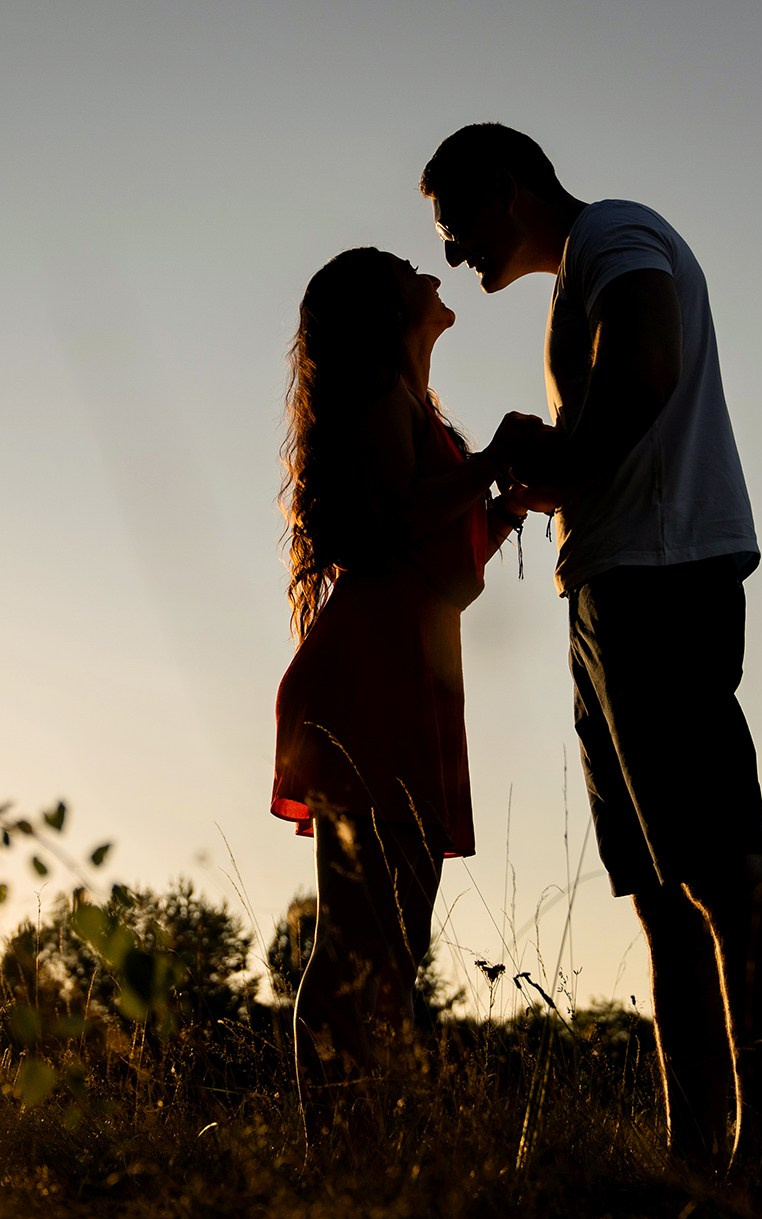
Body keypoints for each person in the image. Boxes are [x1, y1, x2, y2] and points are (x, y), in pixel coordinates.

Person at [420, 123, 762, 1170]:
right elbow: (614, 420)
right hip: (607, 587)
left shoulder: (615, 235)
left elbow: (645, 363)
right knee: (656, 893)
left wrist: (572, 455)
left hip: (659, 578)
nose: (454, 254)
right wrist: (557, 477)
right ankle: (695, 1165)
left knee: (721, 870)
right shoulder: (576, 272)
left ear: (506, 187)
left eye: (455, 226)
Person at [270, 246, 534, 1138]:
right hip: (372, 675)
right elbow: (386, 526)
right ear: (385, 309)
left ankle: (359, 1139)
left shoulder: (415, 410)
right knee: (360, 941)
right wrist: (491, 462)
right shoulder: (383, 398)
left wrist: (498, 509)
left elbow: (432, 559)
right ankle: (337, 1149)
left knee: (393, 944)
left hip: (404, 666)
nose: (430, 273)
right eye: (406, 269)